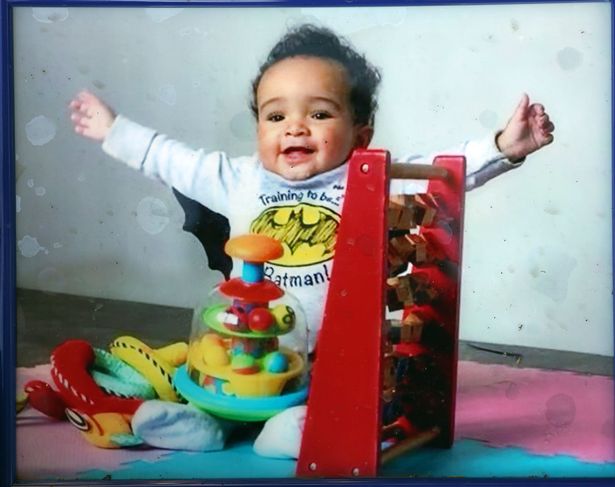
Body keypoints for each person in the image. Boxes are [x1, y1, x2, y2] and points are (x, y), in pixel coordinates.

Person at [69, 24, 554, 458]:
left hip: (329, 359)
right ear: (259, 128)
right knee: (226, 387)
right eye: (275, 116)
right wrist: (115, 130)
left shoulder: (367, 179)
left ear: (360, 136)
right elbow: (173, 160)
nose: (295, 127)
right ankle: (206, 425)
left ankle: (291, 430)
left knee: (331, 402)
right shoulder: (238, 179)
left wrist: (501, 148)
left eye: (319, 113)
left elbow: (443, 173)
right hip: (248, 344)